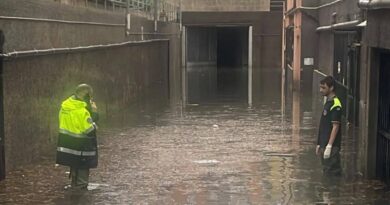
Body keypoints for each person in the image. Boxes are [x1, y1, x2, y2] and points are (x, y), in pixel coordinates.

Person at [56, 84, 99, 190]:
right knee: (82, 171)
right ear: (87, 97)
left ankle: (73, 188)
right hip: (80, 145)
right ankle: (80, 194)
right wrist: (94, 113)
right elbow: (89, 130)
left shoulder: (65, 107)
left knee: (74, 164)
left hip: (67, 144)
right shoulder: (82, 111)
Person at [316, 76, 342, 176]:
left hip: (332, 147)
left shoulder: (336, 104)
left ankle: (334, 191)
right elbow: (323, 125)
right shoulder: (328, 102)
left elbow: (335, 126)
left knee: (332, 174)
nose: (320, 90)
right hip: (324, 144)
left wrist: (330, 146)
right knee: (326, 172)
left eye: (323, 88)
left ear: (331, 88)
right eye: (320, 87)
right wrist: (319, 143)